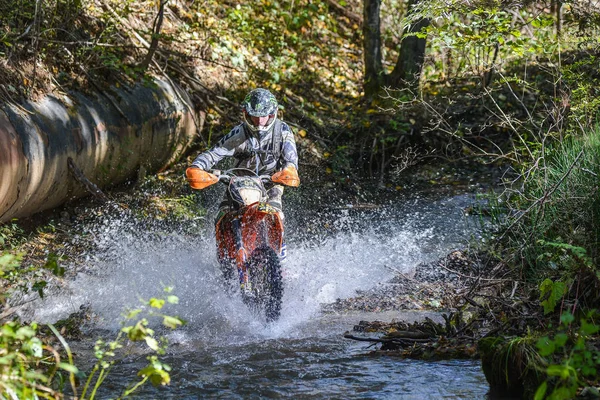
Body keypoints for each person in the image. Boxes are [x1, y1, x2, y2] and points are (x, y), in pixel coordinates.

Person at [186, 88, 299, 258]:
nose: (260, 121)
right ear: (246, 113)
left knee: (277, 215)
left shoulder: (283, 132)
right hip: (238, 183)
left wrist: (288, 171)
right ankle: (224, 259)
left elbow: (291, 160)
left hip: (271, 184)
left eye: (264, 116)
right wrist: (197, 167)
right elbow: (214, 153)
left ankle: (280, 259)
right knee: (221, 216)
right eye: (255, 116)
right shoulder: (239, 133)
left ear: (273, 114)